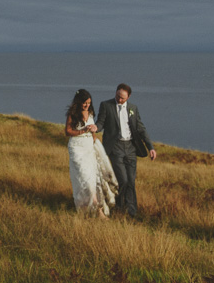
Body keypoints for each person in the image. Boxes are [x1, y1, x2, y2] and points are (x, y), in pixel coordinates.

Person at [96, 83, 156, 218]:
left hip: (130, 148)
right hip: (115, 147)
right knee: (123, 180)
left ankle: (132, 212)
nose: (119, 99)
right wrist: (95, 127)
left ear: (128, 97)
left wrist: (150, 147)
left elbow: (141, 129)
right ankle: (119, 208)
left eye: (122, 98)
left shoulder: (133, 109)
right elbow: (100, 122)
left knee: (131, 181)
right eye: (118, 96)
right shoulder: (106, 105)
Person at [64, 89, 118, 215]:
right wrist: (82, 131)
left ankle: (97, 209)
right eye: (84, 103)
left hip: (89, 147)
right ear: (79, 102)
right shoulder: (72, 114)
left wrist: (95, 141)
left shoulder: (91, 113)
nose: (87, 105)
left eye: (88, 103)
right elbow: (68, 132)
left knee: (93, 179)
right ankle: (90, 207)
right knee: (84, 178)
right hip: (77, 147)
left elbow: (93, 132)